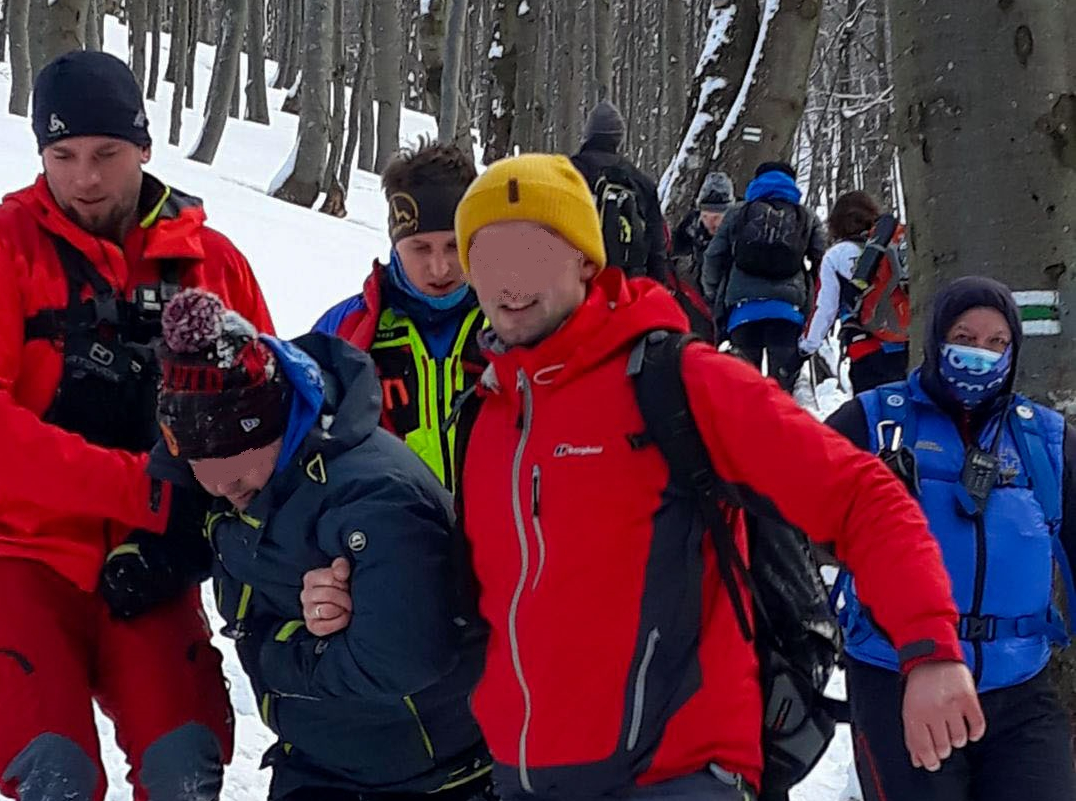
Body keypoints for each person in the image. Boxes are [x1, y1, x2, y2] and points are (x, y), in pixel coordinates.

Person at [302, 155, 984, 801]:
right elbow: (476, 600)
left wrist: (927, 648)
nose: (510, 282)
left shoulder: (676, 380)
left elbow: (860, 495)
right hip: (522, 775)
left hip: (677, 771)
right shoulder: (485, 416)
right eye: (488, 257)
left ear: (583, 257)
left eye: (532, 254)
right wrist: (344, 590)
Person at [0, 51, 274, 801]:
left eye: (106, 154)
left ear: (143, 146)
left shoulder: (213, 263)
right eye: (62, 155)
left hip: (151, 563)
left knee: (186, 765)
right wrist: (139, 489)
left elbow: (271, 420)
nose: (84, 178)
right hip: (14, 551)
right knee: (56, 773)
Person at [149, 289, 495, 801]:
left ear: (278, 422)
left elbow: (401, 657)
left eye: (235, 464)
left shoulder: (373, 497)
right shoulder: (234, 479)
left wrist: (278, 654)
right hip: (319, 762)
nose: (222, 487)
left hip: (430, 773)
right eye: (200, 465)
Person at [826, 275, 1076, 801]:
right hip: (897, 677)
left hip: (1019, 691)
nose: (979, 355)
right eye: (964, 339)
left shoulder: (1046, 439)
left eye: (996, 343)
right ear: (937, 338)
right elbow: (793, 507)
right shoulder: (874, 421)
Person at [313, 138, 485, 491]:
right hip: (390, 532)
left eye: (455, 245)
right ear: (394, 243)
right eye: (420, 248)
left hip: (499, 534)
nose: (439, 268)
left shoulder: (512, 319)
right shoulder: (346, 329)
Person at [702, 161, 826, 392]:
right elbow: (822, 261)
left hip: (743, 311)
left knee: (746, 388)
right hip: (788, 312)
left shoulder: (738, 213)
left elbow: (713, 257)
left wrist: (713, 293)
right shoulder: (805, 216)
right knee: (781, 390)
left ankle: (745, 427)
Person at [798, 191, 908, 393]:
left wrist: (806, 347)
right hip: (907, 347)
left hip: (866, 350)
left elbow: (825, 308)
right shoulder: (893, 246)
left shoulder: (836, 255)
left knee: (873, 415)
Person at [571, 101, 672, 284]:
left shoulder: (569, 173)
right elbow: (656, 245)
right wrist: (659, 286)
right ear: (619, 138)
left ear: (588, 135)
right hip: (629, 284)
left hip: (581, 280)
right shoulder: (640, 181)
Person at [670, 171, 736, 294]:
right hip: (702, 289)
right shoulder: (694, 226)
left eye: (716, 218)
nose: (710, 224)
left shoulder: (740, 227)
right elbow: (672, 247)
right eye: (705, 217)